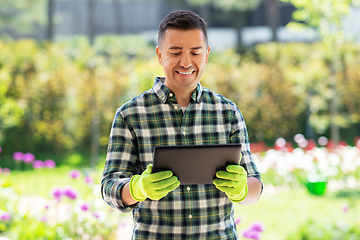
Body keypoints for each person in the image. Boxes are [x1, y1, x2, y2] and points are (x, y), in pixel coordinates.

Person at [101, 10, 263, 239]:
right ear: (160, 55)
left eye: (195, 52)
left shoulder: (227, 112)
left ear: (206, 55)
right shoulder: (130, 115)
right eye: (175, 52)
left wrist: (243, 189)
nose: (186, 62)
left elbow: (255, 186)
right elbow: (109, 187)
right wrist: (137, 189)